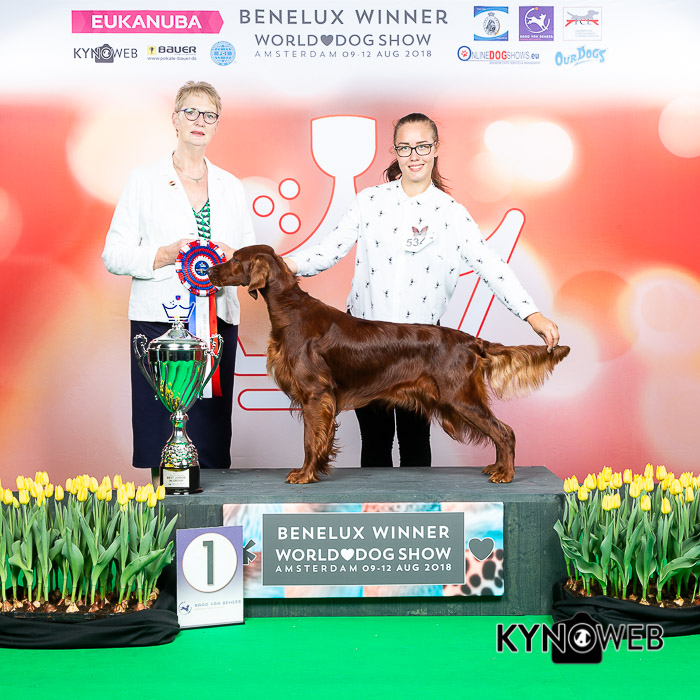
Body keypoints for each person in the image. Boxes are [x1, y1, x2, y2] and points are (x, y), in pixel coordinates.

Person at [284, 112, 559, 469]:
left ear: (436, 149)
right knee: (375, 440)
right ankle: (376, 502)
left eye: (422, 146)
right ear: (395, 152)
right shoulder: (369, 201)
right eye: (405, 147)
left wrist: (532, 315)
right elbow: (328, 251)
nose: (414, 155)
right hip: (365, 344)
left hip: (420, 347)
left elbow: (491, 265)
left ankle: (418, 503)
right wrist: (278, 264)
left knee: (415, 441)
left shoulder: (450, 212)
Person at [102, 81, 255, 481]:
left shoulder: (231, 186)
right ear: (174, 118)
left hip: (216, 324)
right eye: (191, 112)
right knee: (162, 434)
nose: (199, 120)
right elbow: (114, 254)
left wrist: (232, 259)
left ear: (217, 125)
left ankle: (212, 518)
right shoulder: (143, 179)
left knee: (210, 436)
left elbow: (250, 262)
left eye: (209, 115)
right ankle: (166, 516)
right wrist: (166, 254)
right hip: (159, 324)